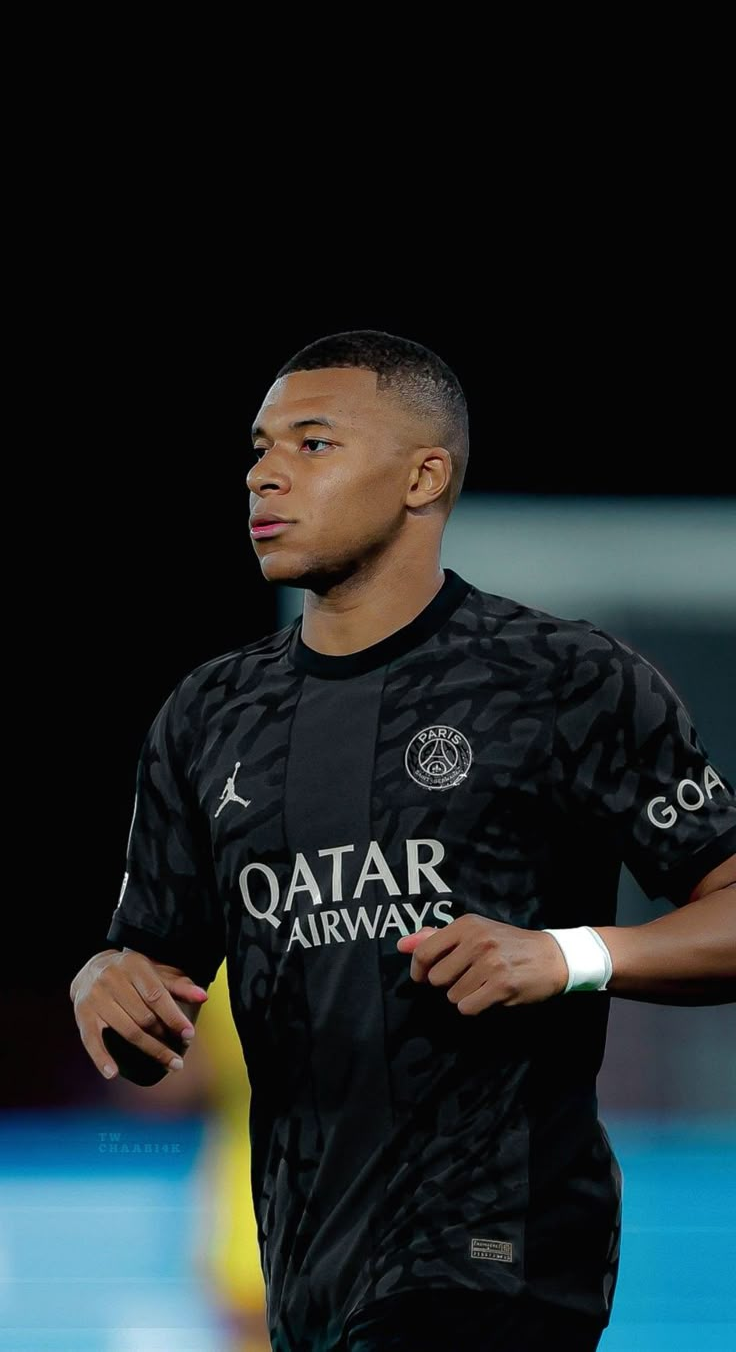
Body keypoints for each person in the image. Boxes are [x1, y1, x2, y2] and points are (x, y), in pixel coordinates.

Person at [70, 330, 736, 1352]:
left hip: (498, 1250)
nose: (266, 471)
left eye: (313, 442)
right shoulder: (208, 714)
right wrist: (104, 983)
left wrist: (568, 952)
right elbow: (154, 992)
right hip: (302, 1265)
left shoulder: (565, 679)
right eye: (257, 447)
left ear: (425, 474)